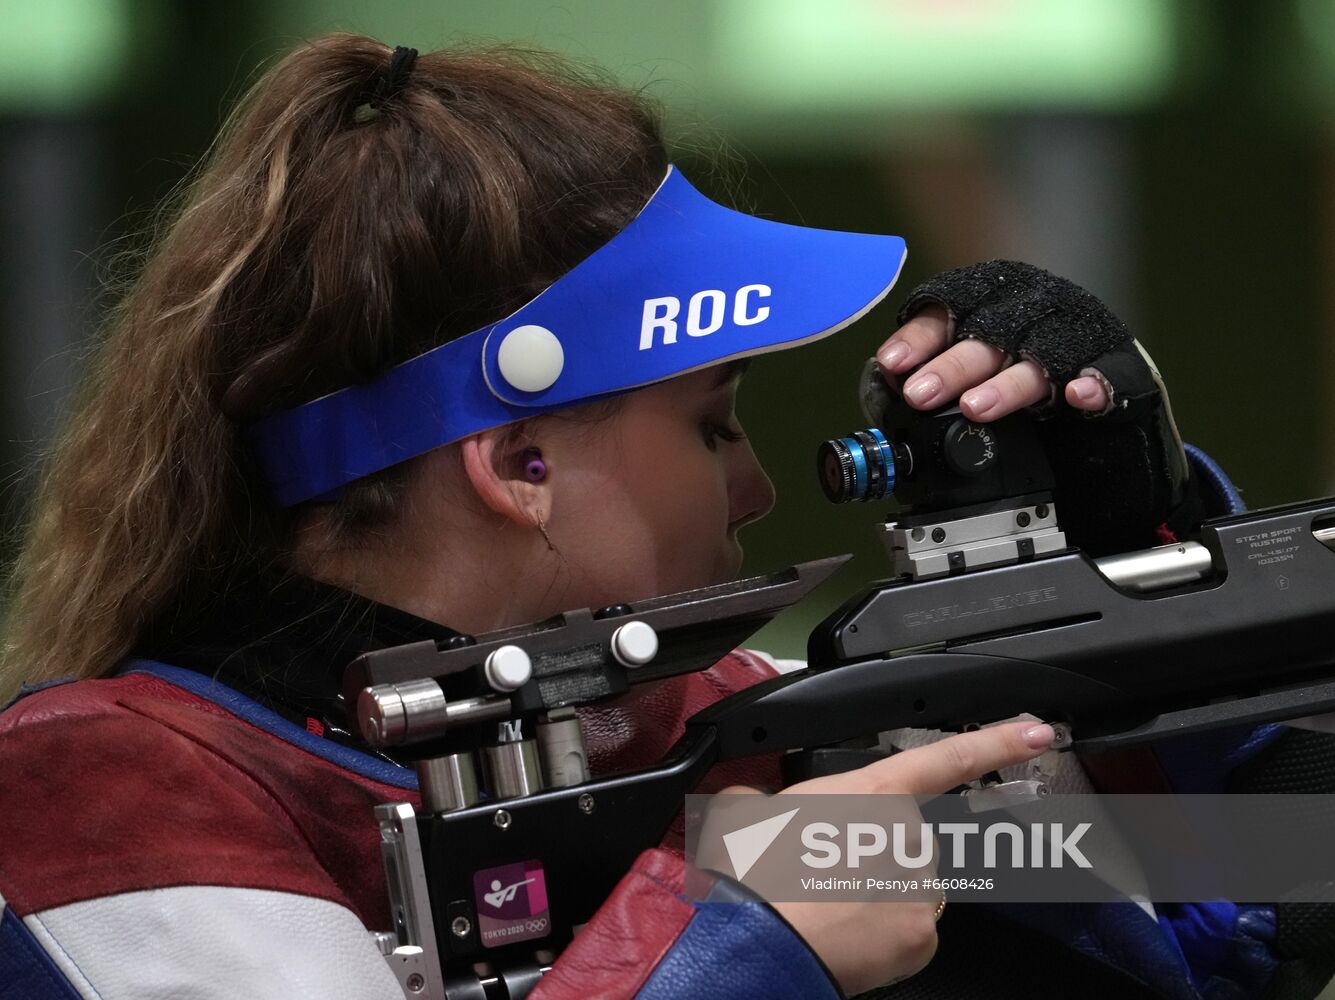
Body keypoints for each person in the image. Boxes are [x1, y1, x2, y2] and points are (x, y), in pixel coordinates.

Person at [0, 34, 1328, 1000]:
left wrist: (1147, 575)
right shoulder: (109, 790)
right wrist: (738, 947)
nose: (751, 489)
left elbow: (1268, 892)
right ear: (518, 461)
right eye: (711, 424)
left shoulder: (713, 740)